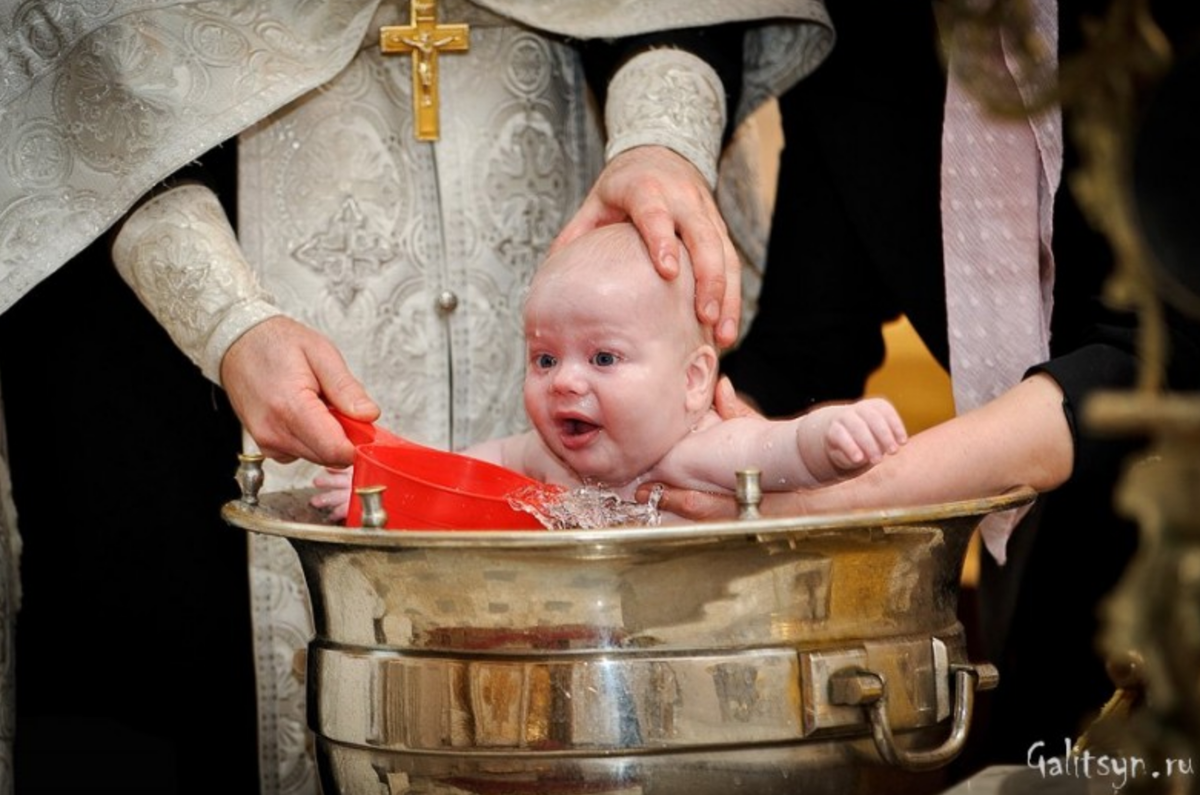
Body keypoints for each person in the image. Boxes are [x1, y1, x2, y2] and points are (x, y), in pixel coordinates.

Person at [0, 4, 836, 793]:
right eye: (542, 360)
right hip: (178, 355)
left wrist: (657, 143)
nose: (563, 384)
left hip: (561, 173)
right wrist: (223, 321)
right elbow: (91, 70)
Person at [649, 0, 1200, 780]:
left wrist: (841, 498)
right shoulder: (868, 34)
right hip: (1049, 556)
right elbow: (810, 344)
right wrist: (661, 440)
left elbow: (1154, 348)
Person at [313, 223, 907, 520]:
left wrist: (834, 436)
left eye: (603, 358)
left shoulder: (700, 451)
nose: (566, 382)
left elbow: (784, 451)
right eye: (545, 360)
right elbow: (457, 480)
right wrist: (387, 489)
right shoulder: (539, 456)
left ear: (694, 381)